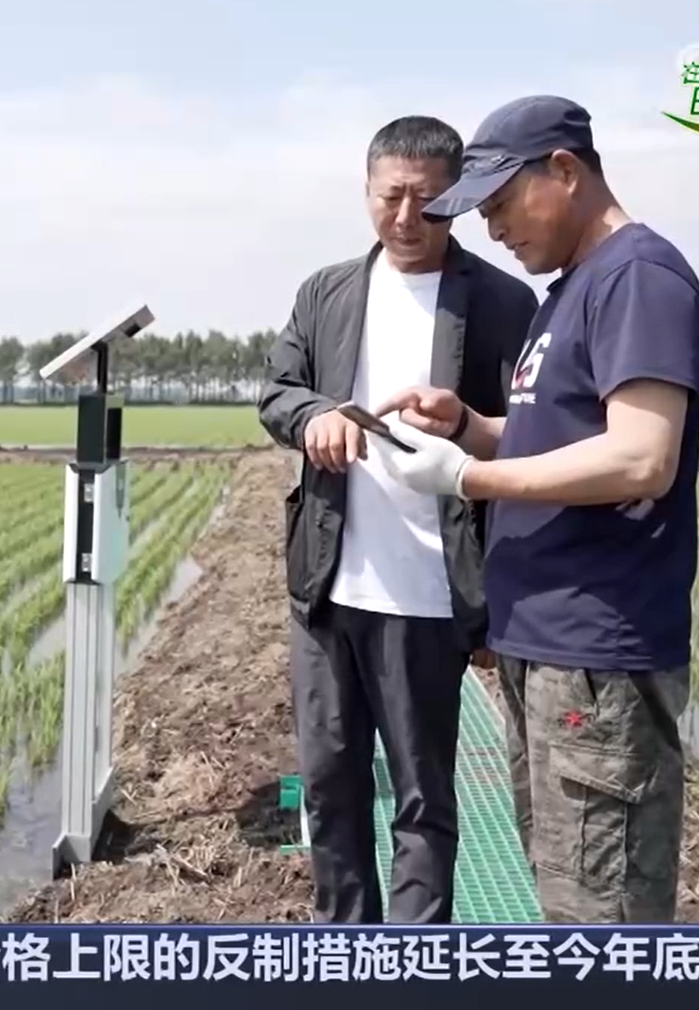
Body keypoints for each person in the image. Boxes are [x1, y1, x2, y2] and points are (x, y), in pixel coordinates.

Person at [367, 95, 699, 923]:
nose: (492, 231)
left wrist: (468, 479)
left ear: (563, 171)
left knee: (603, 920)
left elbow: (641, 456)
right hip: (546, 647)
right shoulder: (569, 293)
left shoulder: (638, 278)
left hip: (596, 654)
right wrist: (470, 427)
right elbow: (553, 438)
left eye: (500, 204)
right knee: (565, 898)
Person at [257, 114, 539, 924]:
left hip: (430, 594)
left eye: (428, 200)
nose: (408, 217)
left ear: (459, 199)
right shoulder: (327, 292)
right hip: (328, 587)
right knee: (329, 784)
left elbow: (533, 439)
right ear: (367, 191)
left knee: (422, 796)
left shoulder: (503, 303)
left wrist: (499, 603)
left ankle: (415, 958)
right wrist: (314, 417)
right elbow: (276, 393)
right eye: (391, 197)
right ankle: (346, 945)